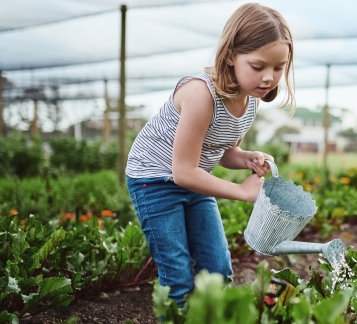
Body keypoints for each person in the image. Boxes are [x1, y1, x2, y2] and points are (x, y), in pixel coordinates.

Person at [125, 3, 295, 308]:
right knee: (177, 277)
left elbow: (223, 152)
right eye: (258, 67)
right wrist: (242, 192)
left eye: (278, 68)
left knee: (217, 269)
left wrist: (246, 158)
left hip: (193, 181)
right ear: (230, 55)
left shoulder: (249, 101)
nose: (269, 78)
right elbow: (184, 171)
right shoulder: (201, 95)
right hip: (154, 181)